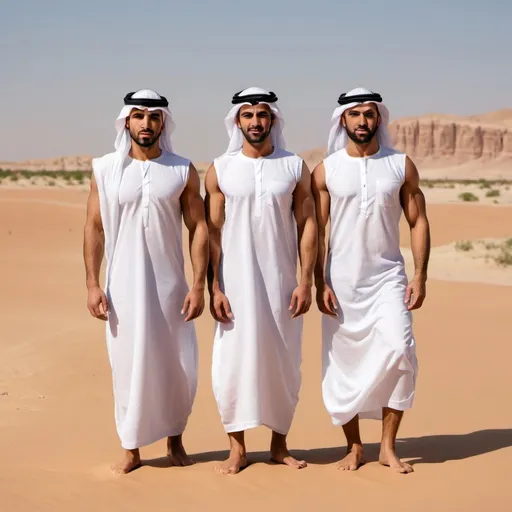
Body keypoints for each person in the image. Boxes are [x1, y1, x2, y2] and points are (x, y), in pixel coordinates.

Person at [83, 89, 208, 474]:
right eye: (138, 116)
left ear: (163, 124)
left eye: (154, 118)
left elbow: (199, 226)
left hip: (171, 287)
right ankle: (131, 448)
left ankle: (175, 440)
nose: (146, 124)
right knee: (128, 365)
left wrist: (199, 284)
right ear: (126, 122)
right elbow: (93, 227)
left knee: (176, 363)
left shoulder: (181, 169)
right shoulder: (105, 169)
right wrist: (92, 284)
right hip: (122, 287)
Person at [312, 87, 430, 474]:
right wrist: (318, 282)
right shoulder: (326, 170)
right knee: (344, 364)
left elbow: (418, 220)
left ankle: (388, 447)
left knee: (400, 350)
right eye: (354, 114)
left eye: (369, 114)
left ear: (379, 118)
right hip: (341, 282)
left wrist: (420, 275)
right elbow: (316, 230)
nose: (362, 121)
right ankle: (354, 447)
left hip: (388, 280)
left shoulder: (400, 165)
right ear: (342, 120)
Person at [205, 87, 317, 475]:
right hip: (235, 285)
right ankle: (236, 449)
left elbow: (308, 225)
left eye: (262, 115)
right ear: (237, 121)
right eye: (247, 115)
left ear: (273, 120)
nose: (255, 122)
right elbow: (213, 234)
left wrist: (306, 281)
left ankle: (279, 445)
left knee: (283, 362)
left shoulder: (293, 167)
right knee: (232, 363)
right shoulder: (220, 169)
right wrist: (214, 288)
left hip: (282, 283)